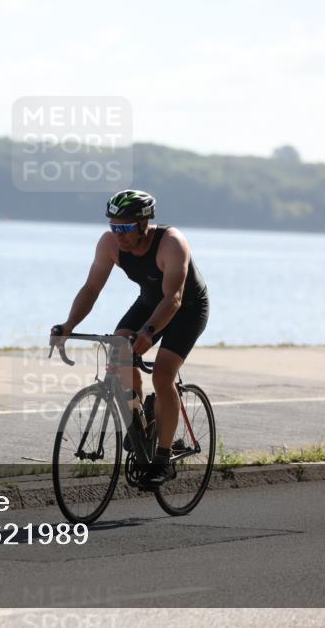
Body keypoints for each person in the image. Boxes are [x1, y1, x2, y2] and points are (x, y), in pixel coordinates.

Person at [51, 190, 209, 488]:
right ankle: (141, 426)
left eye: (124, 227)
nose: (118, 234)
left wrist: (148, 333)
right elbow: (91, 289)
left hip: (186, 308)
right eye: (114, 226)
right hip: (150, 301)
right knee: (119, 350)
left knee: (163, 376)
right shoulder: (109, 243)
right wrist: (69, 324)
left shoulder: (172, 243)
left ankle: (162, 459)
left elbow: (174, 298)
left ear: (143, 224)